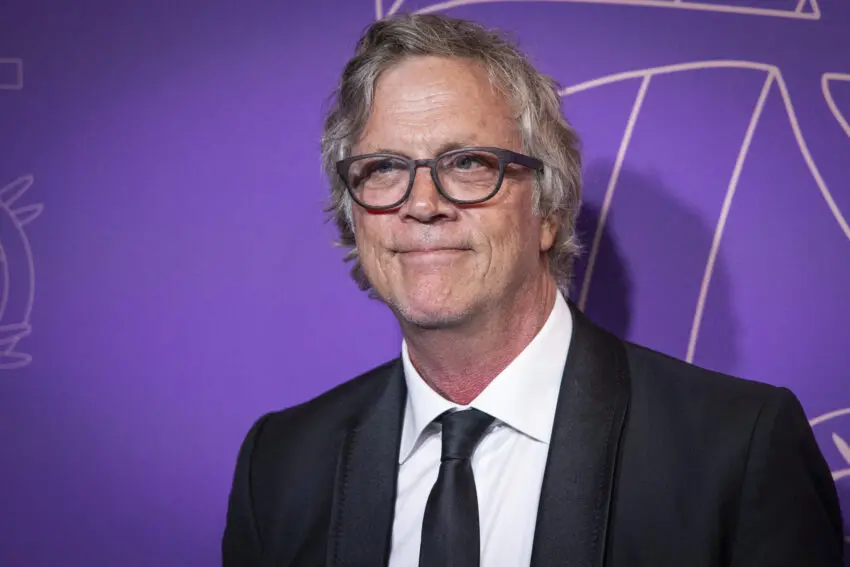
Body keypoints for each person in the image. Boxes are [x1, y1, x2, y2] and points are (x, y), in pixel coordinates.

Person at [221, 13, 844, 567]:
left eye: (468, 162)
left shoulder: (738, 450)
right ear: (354, 217)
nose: (423, 204)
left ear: (549, 210)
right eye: (384, 168)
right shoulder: (279, 465)